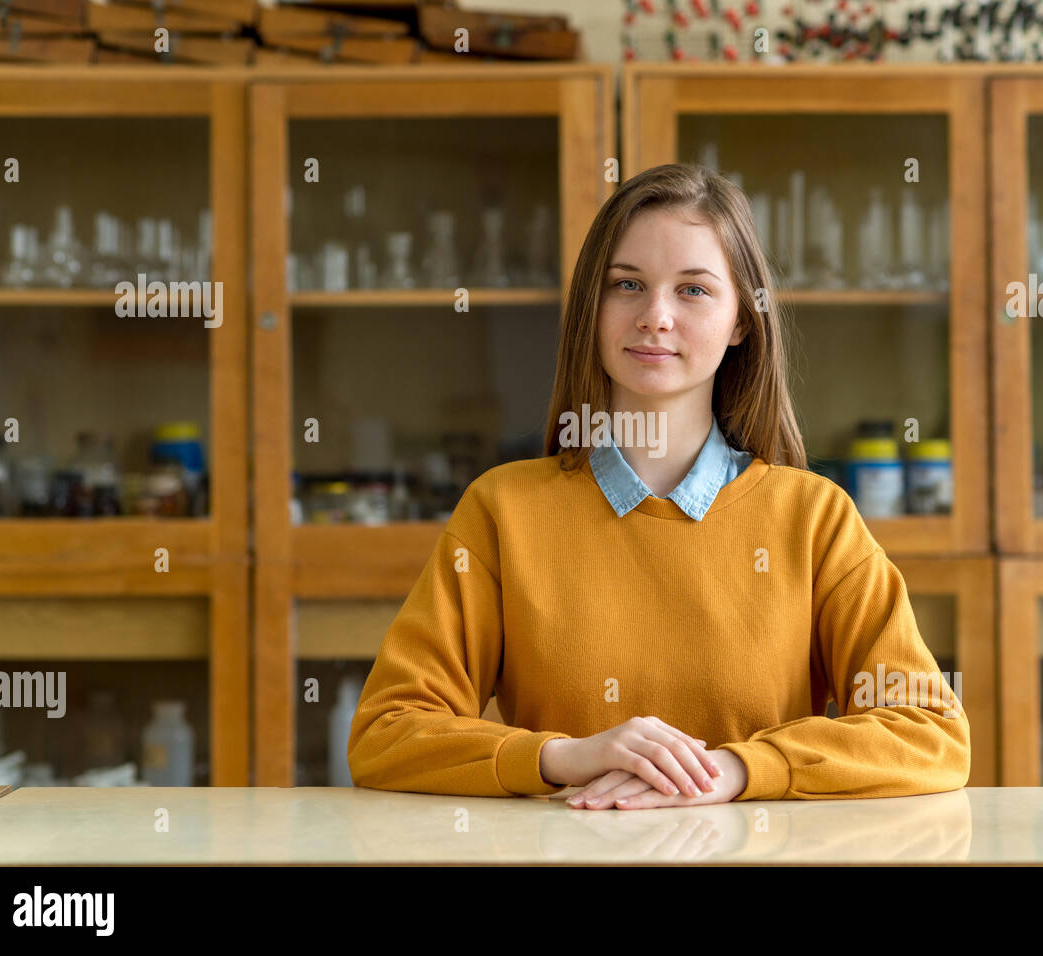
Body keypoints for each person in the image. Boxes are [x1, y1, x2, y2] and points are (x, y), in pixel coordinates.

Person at [348, 163, 969, 809]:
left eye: (694, 290)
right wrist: (564, 758)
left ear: (741, 322)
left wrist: (735, 771)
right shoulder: (501, 511)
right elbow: (386, 733)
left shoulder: (813, 518)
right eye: (627, 285)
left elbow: (930, 733)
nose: (655, 316)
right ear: (593, 307)